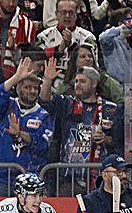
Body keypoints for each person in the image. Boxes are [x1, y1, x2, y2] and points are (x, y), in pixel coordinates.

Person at [40, 58, 121, 193]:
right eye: (76, 81)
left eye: (82, 81)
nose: (77, 84)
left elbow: (121, 141)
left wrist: (106, 139)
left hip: (100, 179)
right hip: (69, 178)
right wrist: (48, 80)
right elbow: (44, 99)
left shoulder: (111, 109)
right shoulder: (68, 104)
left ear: (94, 83)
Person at [0, 56, 54, 189]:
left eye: (35, 88)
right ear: (18, 89)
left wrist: (21, 134)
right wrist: (17, 76)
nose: (32, 91)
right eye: (27, 87)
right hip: (3, 177)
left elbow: (43, 144)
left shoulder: (43, 115)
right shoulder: (8, 106)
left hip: (32, 178)